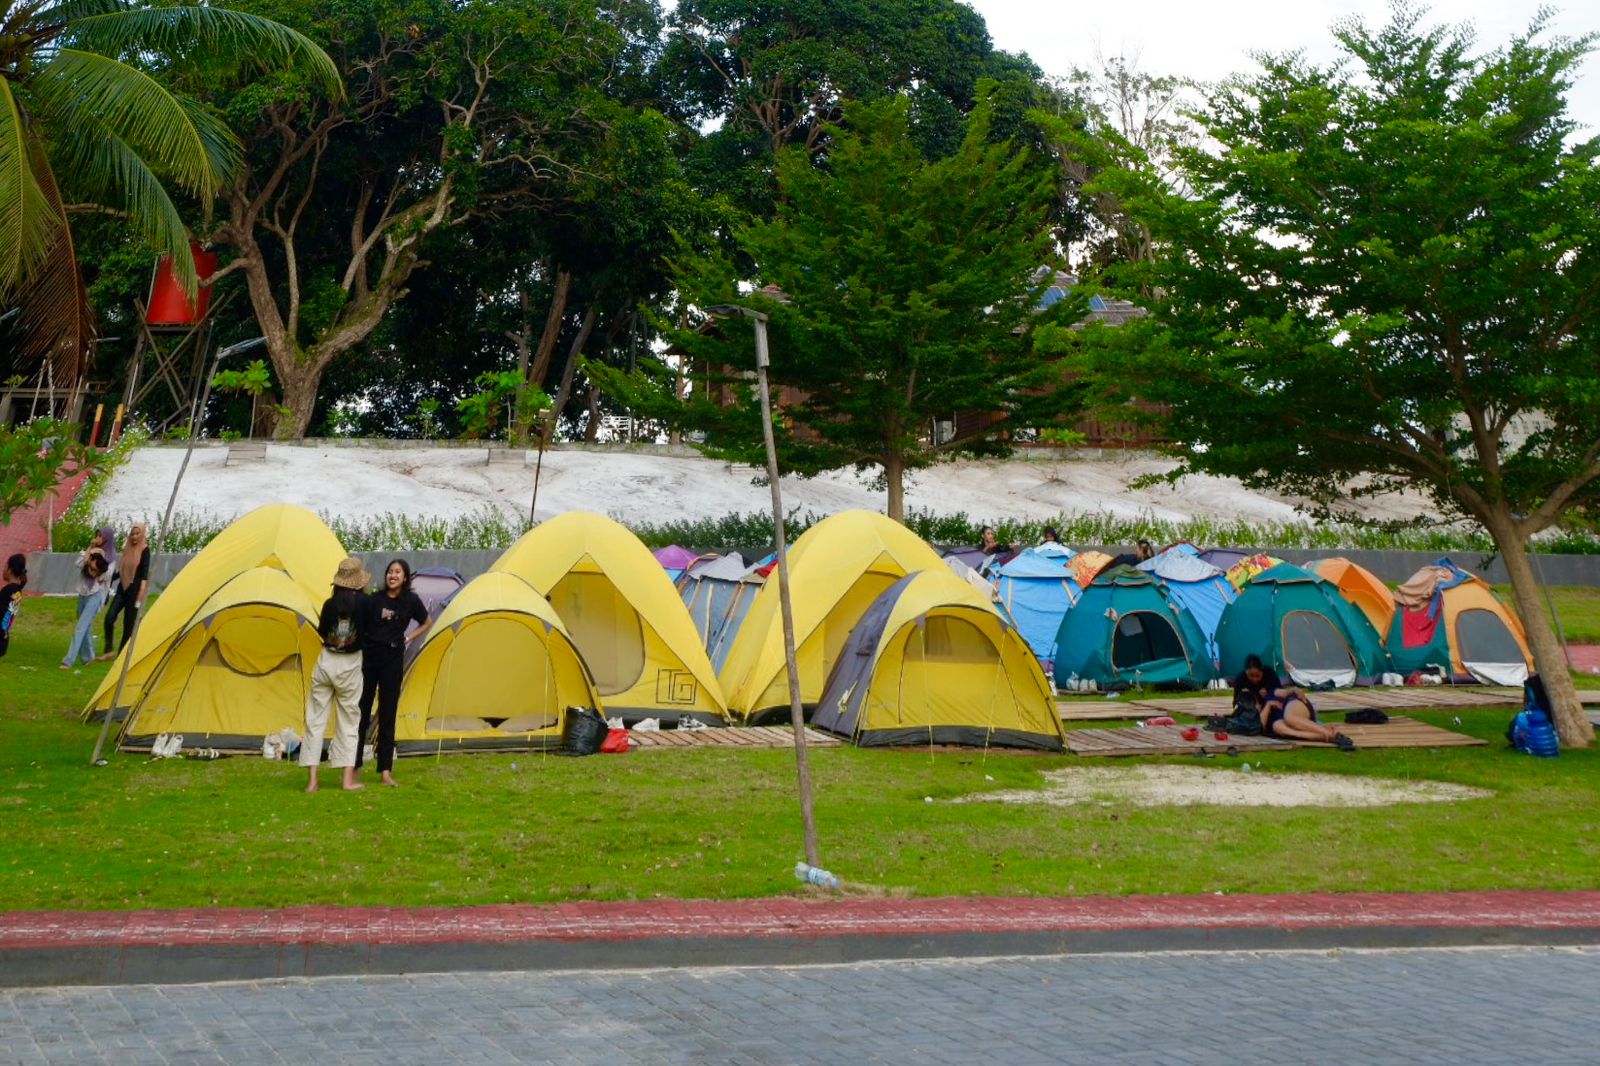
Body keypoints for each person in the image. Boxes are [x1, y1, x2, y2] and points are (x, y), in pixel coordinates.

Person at [355, 559, 431, 788]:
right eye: (390, 571)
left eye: (398, 572)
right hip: (370, 659)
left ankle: (385, 771)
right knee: (361, 712)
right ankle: (354, 767)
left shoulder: (411, 601)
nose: (393, 575)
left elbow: (427, 622)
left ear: (405, 577)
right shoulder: (375, 599)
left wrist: (408, 638)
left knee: (388, 714)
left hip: (392, 660)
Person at [301, 557, 373, 793]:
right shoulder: (366, 603)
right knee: (349, 721)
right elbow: (369, 632)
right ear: (359, 580)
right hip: (350, 665)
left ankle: (312, 780)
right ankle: (347, 780)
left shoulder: (329, 604)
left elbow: (323, 632)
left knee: (315, 720)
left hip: (326, 661)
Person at [1233, 653, 1353, 749]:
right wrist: (1267, 706)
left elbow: (1282, 692)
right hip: (1279, 717)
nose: (1254, 680)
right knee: (1279, 728)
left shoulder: (1270, 690)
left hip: (1291, 705)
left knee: (1289, 717)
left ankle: (1328, 733)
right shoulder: (1256, 714)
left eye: (1257, 676)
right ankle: (1323, 736)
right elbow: (1260, 726)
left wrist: (1294, 690)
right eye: (1251, 676)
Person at [61, 528, 114, 669]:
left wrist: (94, 565)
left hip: (95, 594)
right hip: (83, 593)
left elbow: (105, 576)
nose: (98, 538)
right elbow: (79, 563)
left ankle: (68, 660)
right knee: (86, 627)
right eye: (97, 535)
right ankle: (88, 657)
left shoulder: (109, 557)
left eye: (101, 536)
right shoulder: (91, 552)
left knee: (81, 627)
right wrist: (90, 550)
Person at [97, 524, 149, 660]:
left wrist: (141, 593)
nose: (134, 537)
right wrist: (108, 578)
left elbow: (144, 573)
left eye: (137, 533)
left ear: (142, 534)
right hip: (122, 589)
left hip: (135, 591)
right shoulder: (128, 548)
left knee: (128, 625)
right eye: (132, 534)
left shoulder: (144, 550)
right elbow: (122, 570)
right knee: (109, 617)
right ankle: (109, 650)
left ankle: (121, 656)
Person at [0, 554, 26, 660]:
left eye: (5, 566)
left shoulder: (7, 591)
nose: (3, 569)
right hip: (4, 638)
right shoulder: (18, 592)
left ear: (10, 570)